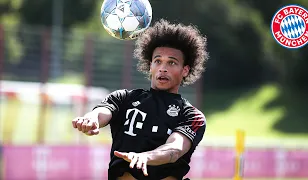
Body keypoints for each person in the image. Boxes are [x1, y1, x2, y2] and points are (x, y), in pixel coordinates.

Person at [72, 19, 209, 180]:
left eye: (172, 62)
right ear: (150, 65)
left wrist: (146, 157)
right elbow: (101, 113)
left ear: (185, 70)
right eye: (158, 61)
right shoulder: (124, 98)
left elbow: (175, 149)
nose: (163, 68)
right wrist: (91, 120)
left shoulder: (192, 116)